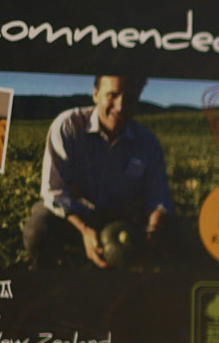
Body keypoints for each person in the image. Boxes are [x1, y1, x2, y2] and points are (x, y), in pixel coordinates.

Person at [22, 74, 173, 269]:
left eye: (129, 99)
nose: (120, 107)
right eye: (112, 95)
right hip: (78, 215)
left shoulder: (147, 142)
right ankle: (44, 272)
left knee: (173, 233)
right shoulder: (69, 126)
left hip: (122, 218)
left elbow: (158, 196)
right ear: (95, 94)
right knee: (38, 226)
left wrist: (152, 233)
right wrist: (85, 230)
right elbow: (54, 191)